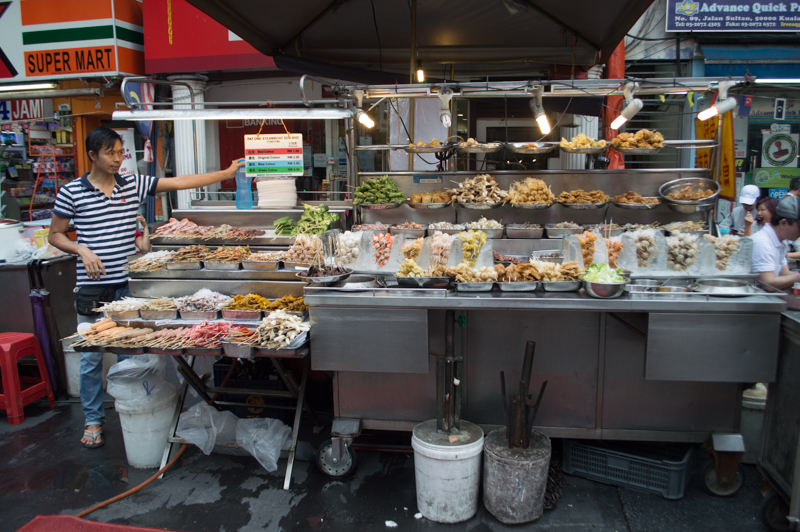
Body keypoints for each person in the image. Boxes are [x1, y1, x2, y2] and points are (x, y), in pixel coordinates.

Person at [48, 127, 244, 448]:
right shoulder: (71, 192)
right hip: (92, 287)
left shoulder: (132, 184)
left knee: (136, 351)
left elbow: (179, 182)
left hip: (129, 285)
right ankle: (93, 420)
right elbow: (55, 234)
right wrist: (81, 249)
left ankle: (140, 407)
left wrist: (226, 173)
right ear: (92, 155)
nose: (117, 159)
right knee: (91, 356)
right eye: (110, 153)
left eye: (119, 152)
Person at [750, 194, 800, 292]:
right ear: (783, 223)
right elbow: (768, 284)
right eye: (799, 227)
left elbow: (784, 274)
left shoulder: (779, 241)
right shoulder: (762, 242)